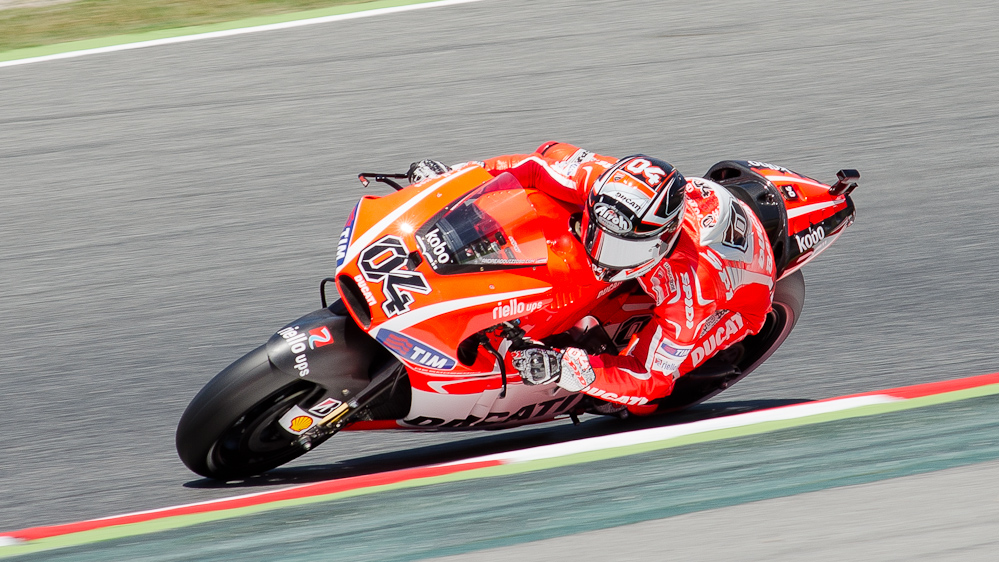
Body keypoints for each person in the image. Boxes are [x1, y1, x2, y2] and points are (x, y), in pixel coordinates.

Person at [408, 141, 776, 414]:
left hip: (739, 299)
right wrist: (454, 177)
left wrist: (569, 369)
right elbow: (531, 166)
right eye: (597, 232)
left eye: (621, 249)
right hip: (696, 210)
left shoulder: (690, 290)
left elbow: (652, 379)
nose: (603, 255)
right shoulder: (598, 181)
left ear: (660, 243)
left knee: (640, 408)